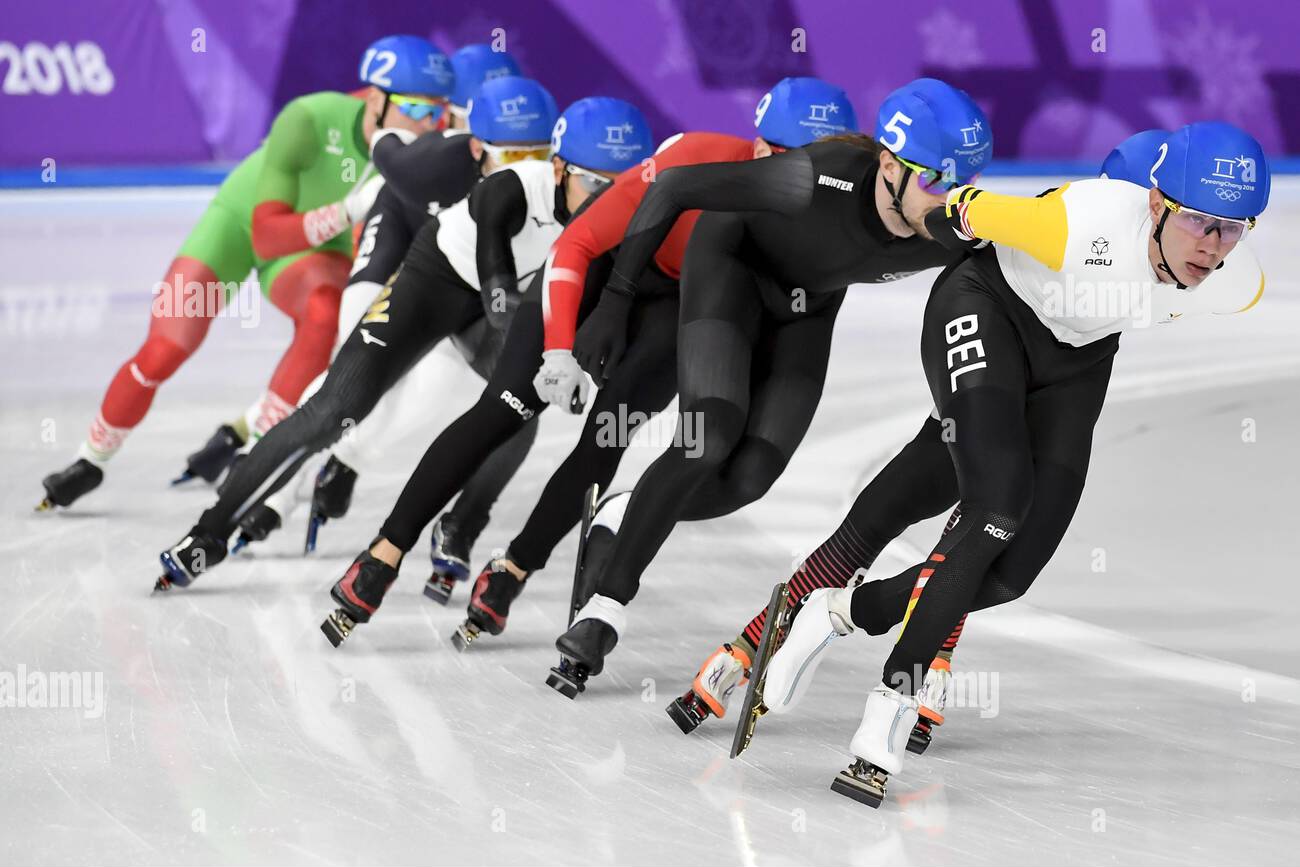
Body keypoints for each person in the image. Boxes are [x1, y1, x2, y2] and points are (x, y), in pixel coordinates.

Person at [753, 120, 1268, 806]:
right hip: (986, 307)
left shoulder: (1241, 280)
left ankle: (841, 610)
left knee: (1009, 574)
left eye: (1234, 229)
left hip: (1077, 356)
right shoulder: (1074, 225)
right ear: (1156, 205)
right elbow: (959, 210)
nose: (1214, 247)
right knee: (996, 505)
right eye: (1201, 223)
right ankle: (888, 710)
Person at [668, 126, 1184, 741]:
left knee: (981, 532)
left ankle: (875, 635)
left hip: (1068, 370)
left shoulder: (1182, 254)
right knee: (959, 500)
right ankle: (757, 645)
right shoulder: (1076, 223)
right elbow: (963, 221)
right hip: (993, 325)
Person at [316, 77, 855, 648]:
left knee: (606, 437)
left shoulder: (829, 210)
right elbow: (577, 244)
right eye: (793, 162)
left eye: (823, 167)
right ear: (760, 149)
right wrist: (557, 348)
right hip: (603, 272)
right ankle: (384, 552)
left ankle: (515, 568)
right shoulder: (696, 156)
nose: (805, 183)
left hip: (681, 303)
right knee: (503, 409)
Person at [544, 77, 992, 697]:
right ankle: (605, 611)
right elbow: (673, 188)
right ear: (888, 166)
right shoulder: (813, 176)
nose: (949, 198)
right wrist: (615, 301)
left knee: (749, 479)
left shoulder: (957, 227)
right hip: (729, 269)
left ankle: (626, 509)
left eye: (962, 182)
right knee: (709, 436)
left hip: (806, 310)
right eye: (934, 179)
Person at [37, 35, 453, 511]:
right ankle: (91, 457)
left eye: (439, 113)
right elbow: (266, 236)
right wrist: (346, 210)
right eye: (419, 110)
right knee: (167, 346)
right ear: (377, 100)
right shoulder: (310, 118)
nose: (429, 126)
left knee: (324, 317)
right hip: (241, 225)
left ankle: (254, 447)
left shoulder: (425, 148)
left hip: (313, 251)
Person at [232, 44, 534, 575]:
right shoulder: (435, 152)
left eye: (523, 147)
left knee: (430, 393)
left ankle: (343, 464)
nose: (510, 156)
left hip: (453, 282)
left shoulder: (517, 171)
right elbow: (387, 158)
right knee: (357, 380)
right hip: (398, 250)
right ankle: (276, 491)